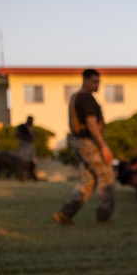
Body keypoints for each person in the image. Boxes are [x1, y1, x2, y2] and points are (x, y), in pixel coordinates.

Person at [53, 69, 115, 224]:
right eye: (94, 81)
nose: (97, 85)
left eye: (98, 81)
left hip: (79, 143)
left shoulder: (77, 98)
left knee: (88, 181)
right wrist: (103, 146)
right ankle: (104, 216)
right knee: (106, 177)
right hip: (89, 143)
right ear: (85, 80)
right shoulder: (87, 99)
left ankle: (65, 213)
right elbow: (92, 124)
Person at [15, 116, 37, 181]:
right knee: (23, 161)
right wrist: (27, 137)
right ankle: (21, 176)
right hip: (24, 145)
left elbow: (34, 137)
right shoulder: (22, 127)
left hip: (30, 145)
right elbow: (16, 134)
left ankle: (30, 175)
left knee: (32, 161)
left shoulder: (31, 128)